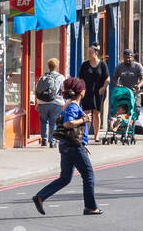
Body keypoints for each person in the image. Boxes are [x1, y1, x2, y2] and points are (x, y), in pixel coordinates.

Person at [32, 78, 101, 216]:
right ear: (81, 92)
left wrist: (84, 144)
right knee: (88, 175)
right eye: (84, 89)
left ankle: (40, 196)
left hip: (67, 146)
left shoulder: (68, 105)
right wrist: (84, 119)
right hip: (73, 147)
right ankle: (90, 207)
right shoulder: (73, 106)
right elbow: (68, 124)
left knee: (65, 178)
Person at [78, 46, 110, 141]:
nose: (88, 55)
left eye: (90, 53)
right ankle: (85, 135)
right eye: (88, 53)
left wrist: (103, 88)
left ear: (96, 53)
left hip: (99, 92)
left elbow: (107, 78)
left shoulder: (102, 64)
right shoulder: (85, 65)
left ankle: (96, 135)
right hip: (87, 92)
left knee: (96, 113)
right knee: (86, 113)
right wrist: (82, 90)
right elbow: (80, 78)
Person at [34, 58, 65, 148]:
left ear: (48, 66)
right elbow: (63, 90)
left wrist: (37, 103)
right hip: (56, 103)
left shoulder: (42, 77)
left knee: (43, 121)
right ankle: (52, 141)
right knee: (53, 122)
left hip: (42, 103)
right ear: (57, 66)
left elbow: (37, 90)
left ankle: (44, 140)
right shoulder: (60, 77)